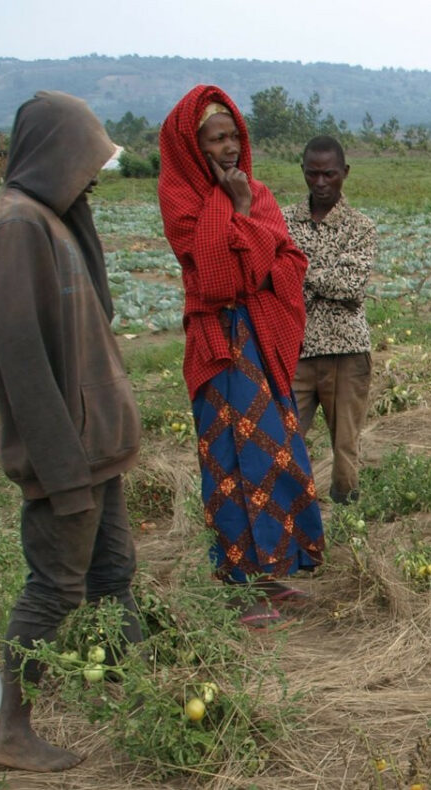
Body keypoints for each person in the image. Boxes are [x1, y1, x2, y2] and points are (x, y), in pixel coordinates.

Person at [0, 91, 142, 772]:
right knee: (54, 588)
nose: (93, 174)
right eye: (85, 160)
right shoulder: (17, 227)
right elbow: (24, 363)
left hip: (96, 451)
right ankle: (11, 731)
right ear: (52, 156)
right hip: (67, 458)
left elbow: (91, 317)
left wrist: (80, 211)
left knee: (114, 574)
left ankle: (143, 694)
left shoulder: (53, 218)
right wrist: (62, 472)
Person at [158, 85, 325, 626]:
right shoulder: (181, 200)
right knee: (229, 461)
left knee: (275, 452)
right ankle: (237, 586)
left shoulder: (259, 193)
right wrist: (243, 219)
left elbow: (288, 263)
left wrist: (246, 216)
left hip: (261, 342)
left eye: (234, 135)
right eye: (216, 138)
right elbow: (221, 278)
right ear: (192, 145)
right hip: (217, 349)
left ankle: (271, 571)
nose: (230, 148)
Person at [284, 135, 377, 506]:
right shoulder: (282, 220)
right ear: (303, 172)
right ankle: (290, 518)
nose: (321, 183)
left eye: (329, 175)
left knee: (345, 449)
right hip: (296, 349)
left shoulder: (360, 226)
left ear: (345, 174)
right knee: (283, 438)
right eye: (313, 174)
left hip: (347, 352)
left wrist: (298, 268)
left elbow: (351, 284)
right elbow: (272, 274)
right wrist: (322, 275)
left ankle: (346, 525)